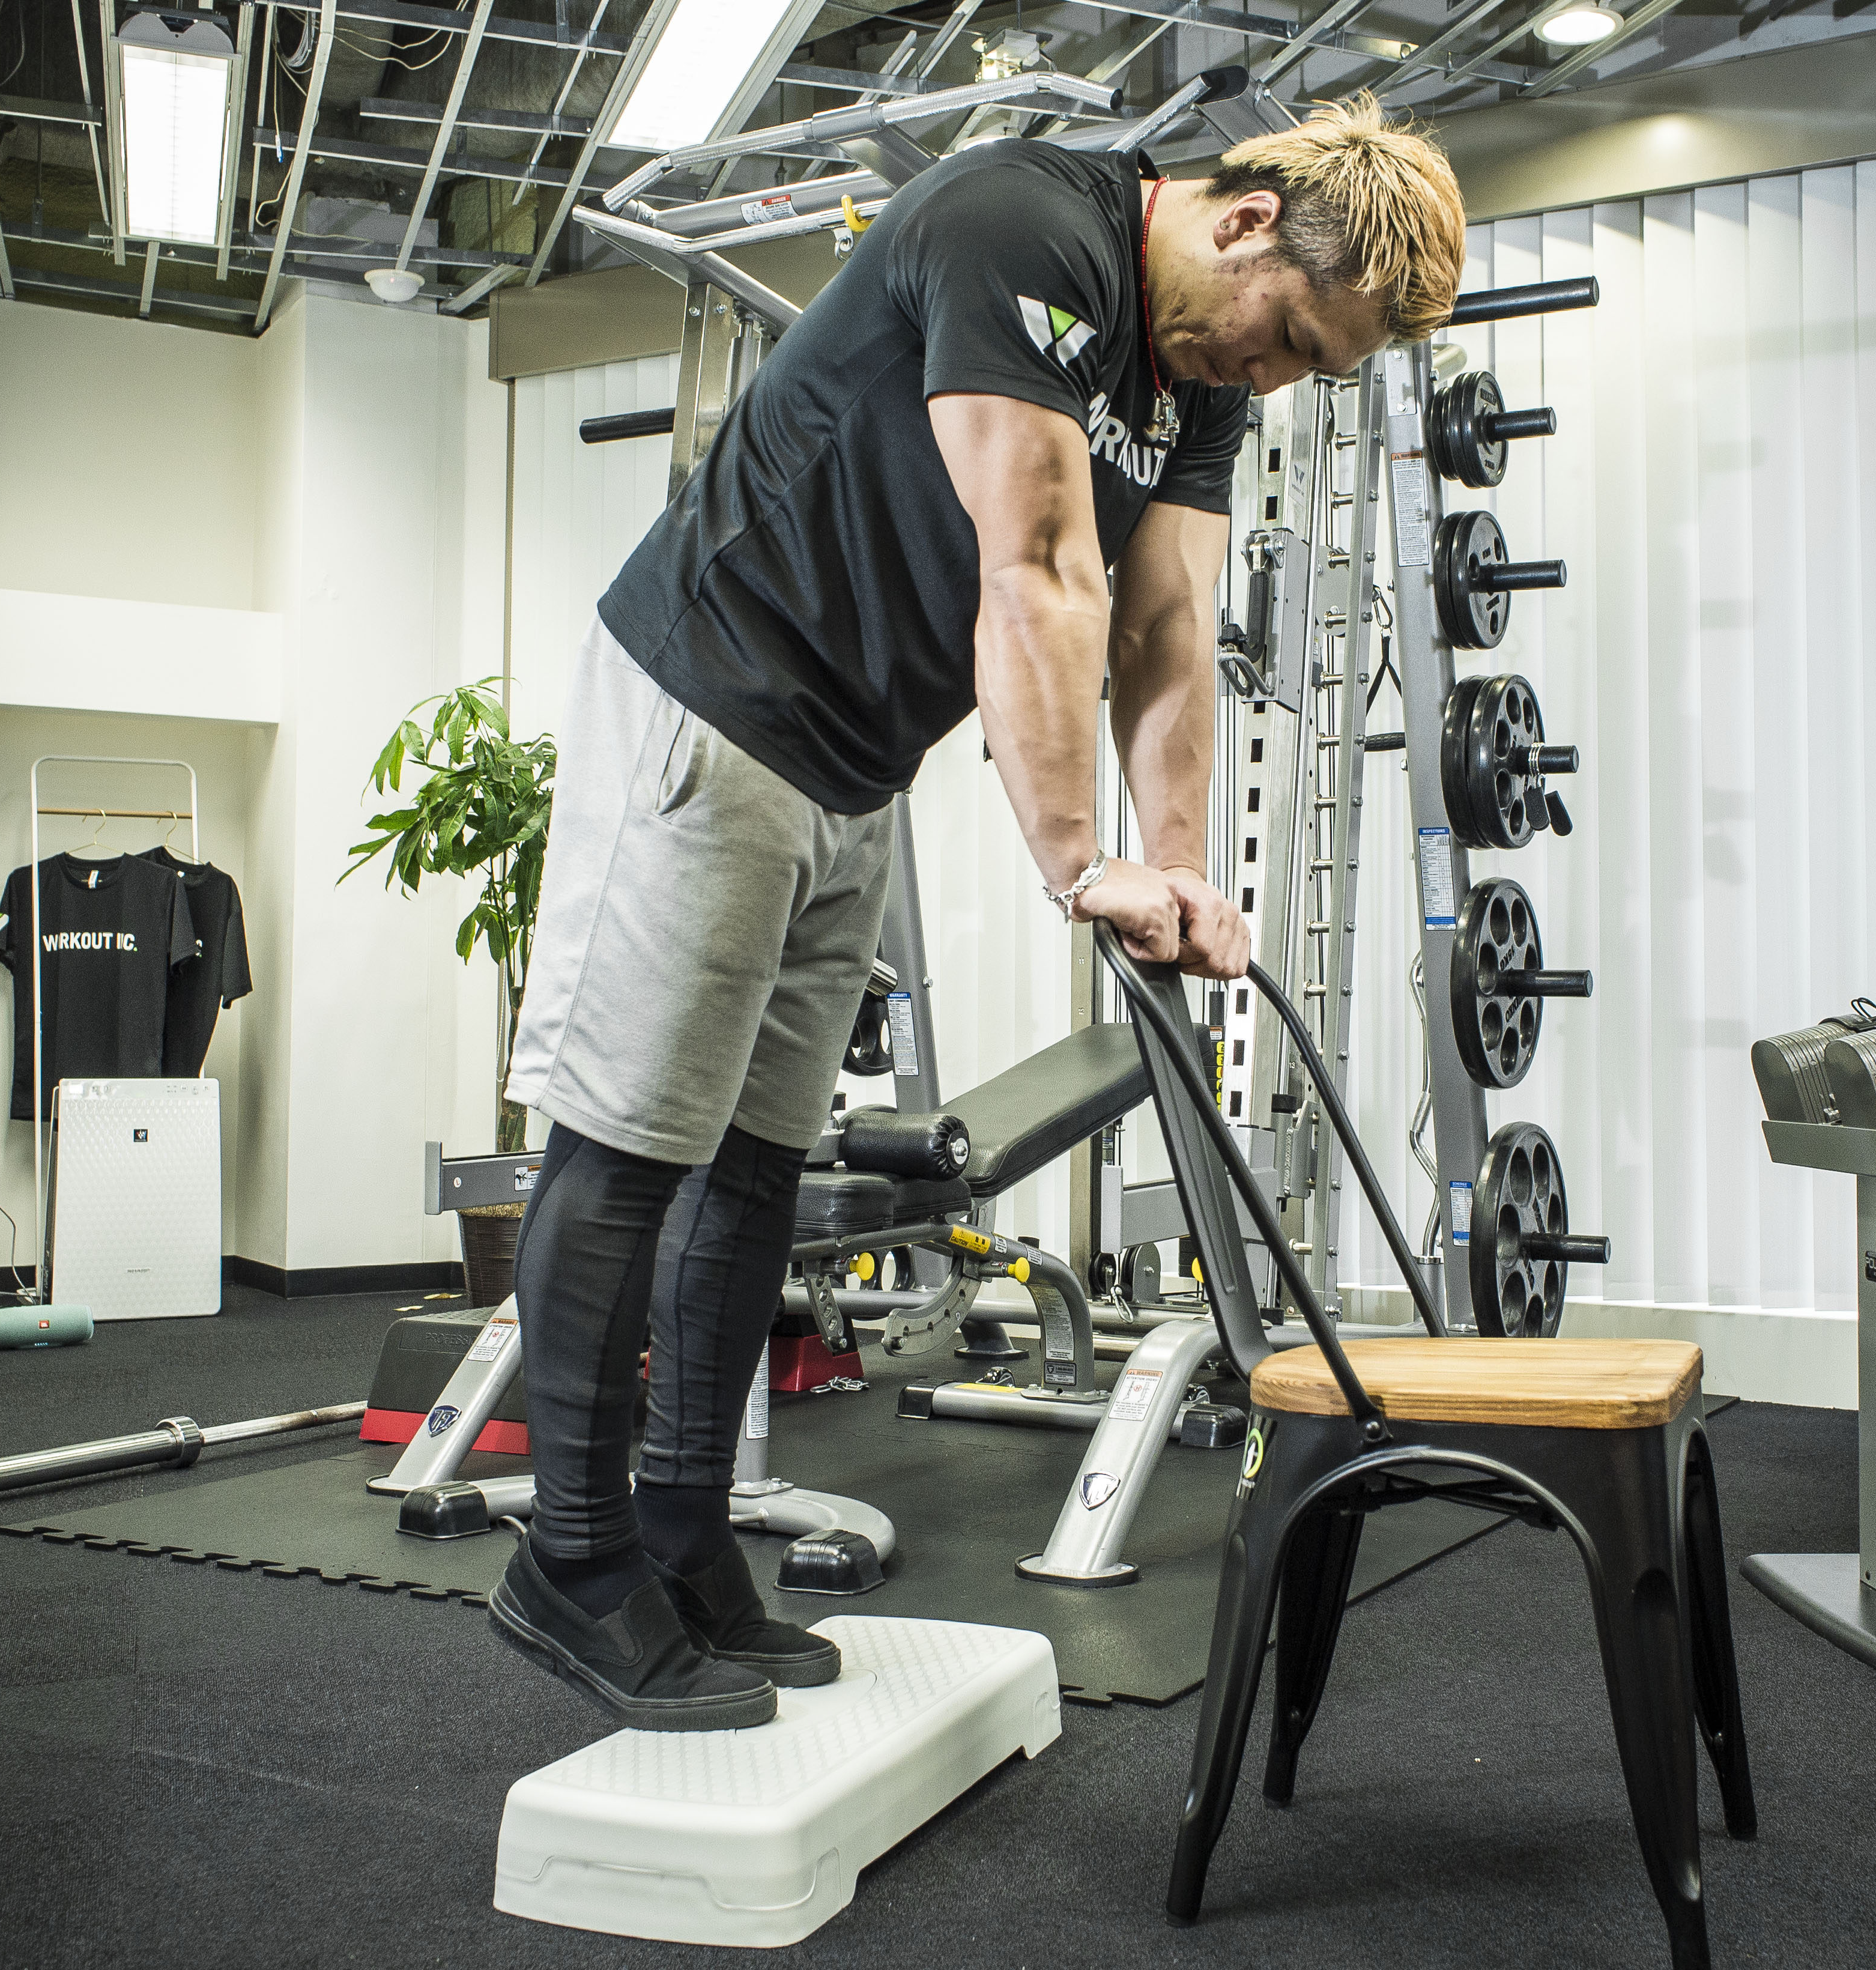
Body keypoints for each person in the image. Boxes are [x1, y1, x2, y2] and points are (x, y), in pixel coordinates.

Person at [489, 94, 1468, 1729]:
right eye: (1293, 336)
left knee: (755, 1169)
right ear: (1244, 223)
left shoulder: (1195, 375)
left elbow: (1162, 621)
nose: (1279, 377)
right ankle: (572, 1563)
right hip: (709, 695)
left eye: (1314, 367)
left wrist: (1179, 869)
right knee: (631, 1146)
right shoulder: (1022, 226)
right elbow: (1039, 566)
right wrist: (1081, 865)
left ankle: (683, 1537)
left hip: (854, 760)